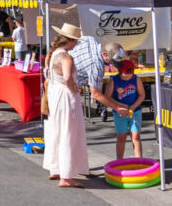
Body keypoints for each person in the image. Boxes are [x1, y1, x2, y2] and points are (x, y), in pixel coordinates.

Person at [42, 30, 89, 188]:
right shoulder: (66, 57)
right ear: (69, 40)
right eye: (75, 40)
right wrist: (74, 87)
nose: (76, 43)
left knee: (57, 131)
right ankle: (66, 177)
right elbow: (68, 77)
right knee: (69, 132)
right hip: (65, 96)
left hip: (54, 94)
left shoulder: (52, 53)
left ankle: (55, 168)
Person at [63, 24, 128, 119]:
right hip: (66, 89)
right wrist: (118, 108)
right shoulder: (97, 66)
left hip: (56, 76)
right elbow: (96, 94)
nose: (111, 65)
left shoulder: (90, 39)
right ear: (104, 53)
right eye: (111, 61)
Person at [105, 60, 145, 160]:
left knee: (136, 137)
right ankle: (119, 161)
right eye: (124, 75)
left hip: (135, 111)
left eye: (129, 74)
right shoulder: (113, 80)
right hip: (119, 113)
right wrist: (121, 105)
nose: (127, 77)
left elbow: (142, 95)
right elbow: (107, 97)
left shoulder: (136, 79)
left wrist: (133, 106)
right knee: (121, 137)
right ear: (119, 71)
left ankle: (139, 161)